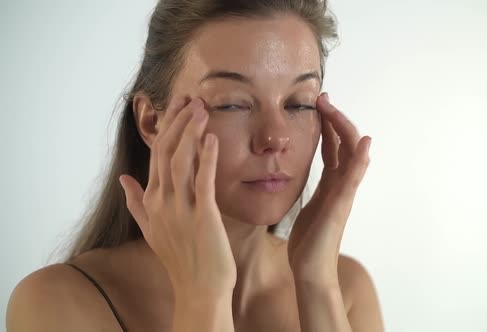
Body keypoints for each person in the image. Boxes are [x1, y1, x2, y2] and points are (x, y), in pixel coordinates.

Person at [6, 0, 384, 331]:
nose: (274, 138)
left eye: (298, 103)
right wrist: (203, 297)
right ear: (152, 122)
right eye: (232, 104)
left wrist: (317, 284)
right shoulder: (56, 302)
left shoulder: (345, 287)